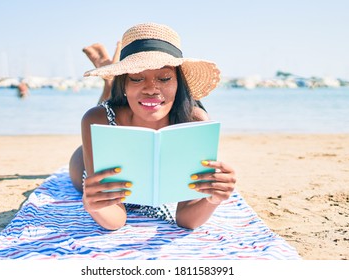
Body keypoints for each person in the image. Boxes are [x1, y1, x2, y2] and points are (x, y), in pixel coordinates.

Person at [69, 23, 236, 230]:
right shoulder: (97, 119)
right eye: (137, 78)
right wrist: (93, 205)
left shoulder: (194, 121)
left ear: (178, 83)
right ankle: (109, 82)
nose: (151, 89)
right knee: (103, 110)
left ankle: (109, 74)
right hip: (82, 165)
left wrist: (213, 199)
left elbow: (187, 219)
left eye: (164, 78)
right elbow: (115, 221)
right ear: (126, 84)